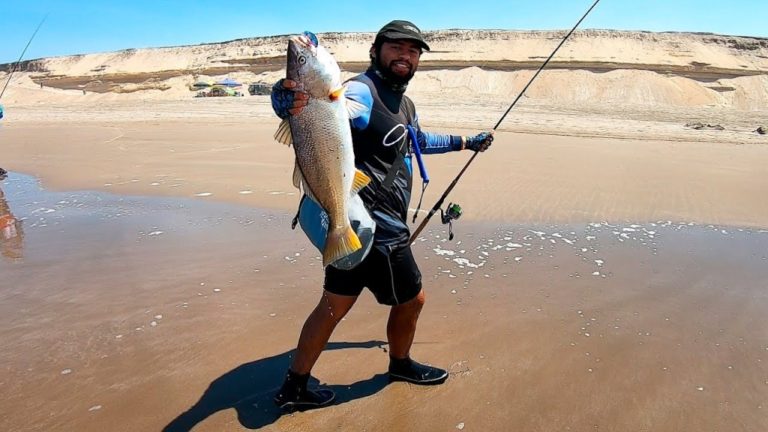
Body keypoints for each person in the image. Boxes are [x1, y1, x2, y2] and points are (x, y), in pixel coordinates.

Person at [269, 20, 494, 411]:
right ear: (377, 50)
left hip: (352, 227)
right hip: (378, 227)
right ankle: (401, 365)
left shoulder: (404, 103)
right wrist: (285, 100)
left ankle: (294, 386)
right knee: (413, 299)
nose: (405, 55)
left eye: (413, 50)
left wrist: (465, 142)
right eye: (396, 47)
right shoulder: (359, 90)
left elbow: (416, 141)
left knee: (333, 304)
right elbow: (311, 109)